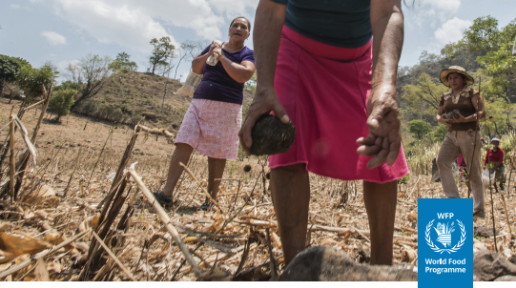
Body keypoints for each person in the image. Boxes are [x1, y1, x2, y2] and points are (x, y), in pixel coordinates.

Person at [239, 0, 408, 265]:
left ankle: (383, 268)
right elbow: (271, 9)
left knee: (380, 143)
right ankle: (295, 269)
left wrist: (384, 85)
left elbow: (387, 12)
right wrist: (263, 87)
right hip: (294, 50)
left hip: (357, 58)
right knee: (287, 151)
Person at [153, 17, 256, 210]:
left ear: (248, 34)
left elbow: (243, 74)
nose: (239, 28)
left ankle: (211, 199)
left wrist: (222, 57)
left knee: (218, 152)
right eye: (235, 25)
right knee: (184, 140)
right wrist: (210, 52)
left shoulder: (247, 54)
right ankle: (166, 193)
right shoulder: (214, 46)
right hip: (199, 103)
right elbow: (196, 67)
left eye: (244, 27)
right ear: (229, 30)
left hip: (227, 108)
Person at [436, 66, 485, 218]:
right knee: (441, 161)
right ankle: (454, 201)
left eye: (456, 78)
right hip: (451, 135)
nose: (452, 80)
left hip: (470, 134)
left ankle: (478, 209)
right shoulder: (445, 96)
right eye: (450, 78)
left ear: (464, 79)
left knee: (473, 171)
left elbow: (482, 112)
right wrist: (442, 121)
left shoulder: (472, 93)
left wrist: (467, 119)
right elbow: (439, 115)